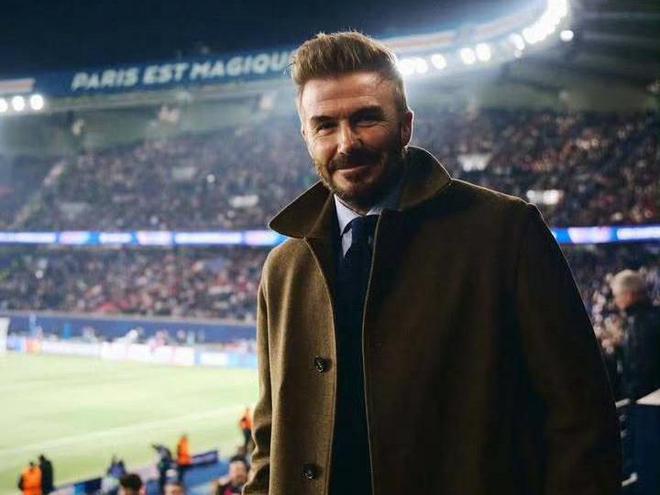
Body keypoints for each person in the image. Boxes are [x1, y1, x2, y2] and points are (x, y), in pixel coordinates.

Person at [243, 31, 621, 495]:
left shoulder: (504, 231)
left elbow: (581, 420)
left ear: (405, 126)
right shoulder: (284, 268)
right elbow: (270, 435)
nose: (346, 143)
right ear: (306, 137)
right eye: (325, 126)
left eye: (366, 118)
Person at [610, 269, 660, 401]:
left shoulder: (638, 323)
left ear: (629, 295)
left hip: (646, 402)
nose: (616, 301)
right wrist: (619, 347)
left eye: (617, 295)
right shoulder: (654, 314)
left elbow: (639, 368)